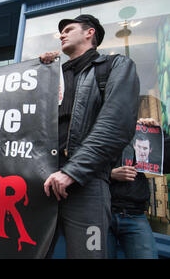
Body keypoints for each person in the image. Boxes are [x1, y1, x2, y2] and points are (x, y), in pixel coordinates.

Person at [40, 14, 140, 258]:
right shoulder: (52, 74)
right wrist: (39, 70)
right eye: (61, 31)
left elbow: (115, 124)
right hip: (41, 180)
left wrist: (72, 171)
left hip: (87, 184)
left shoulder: (116, 66)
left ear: (89, 33)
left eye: (69, 28)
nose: (62, 33)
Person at [108, 117, 170, 259]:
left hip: (135, 214)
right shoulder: (99, 130)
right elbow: (80, 167)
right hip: (102, 213)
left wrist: (158, 134)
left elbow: (165, 163)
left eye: (145, 148)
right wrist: (111, 174)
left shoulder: (138, 133)